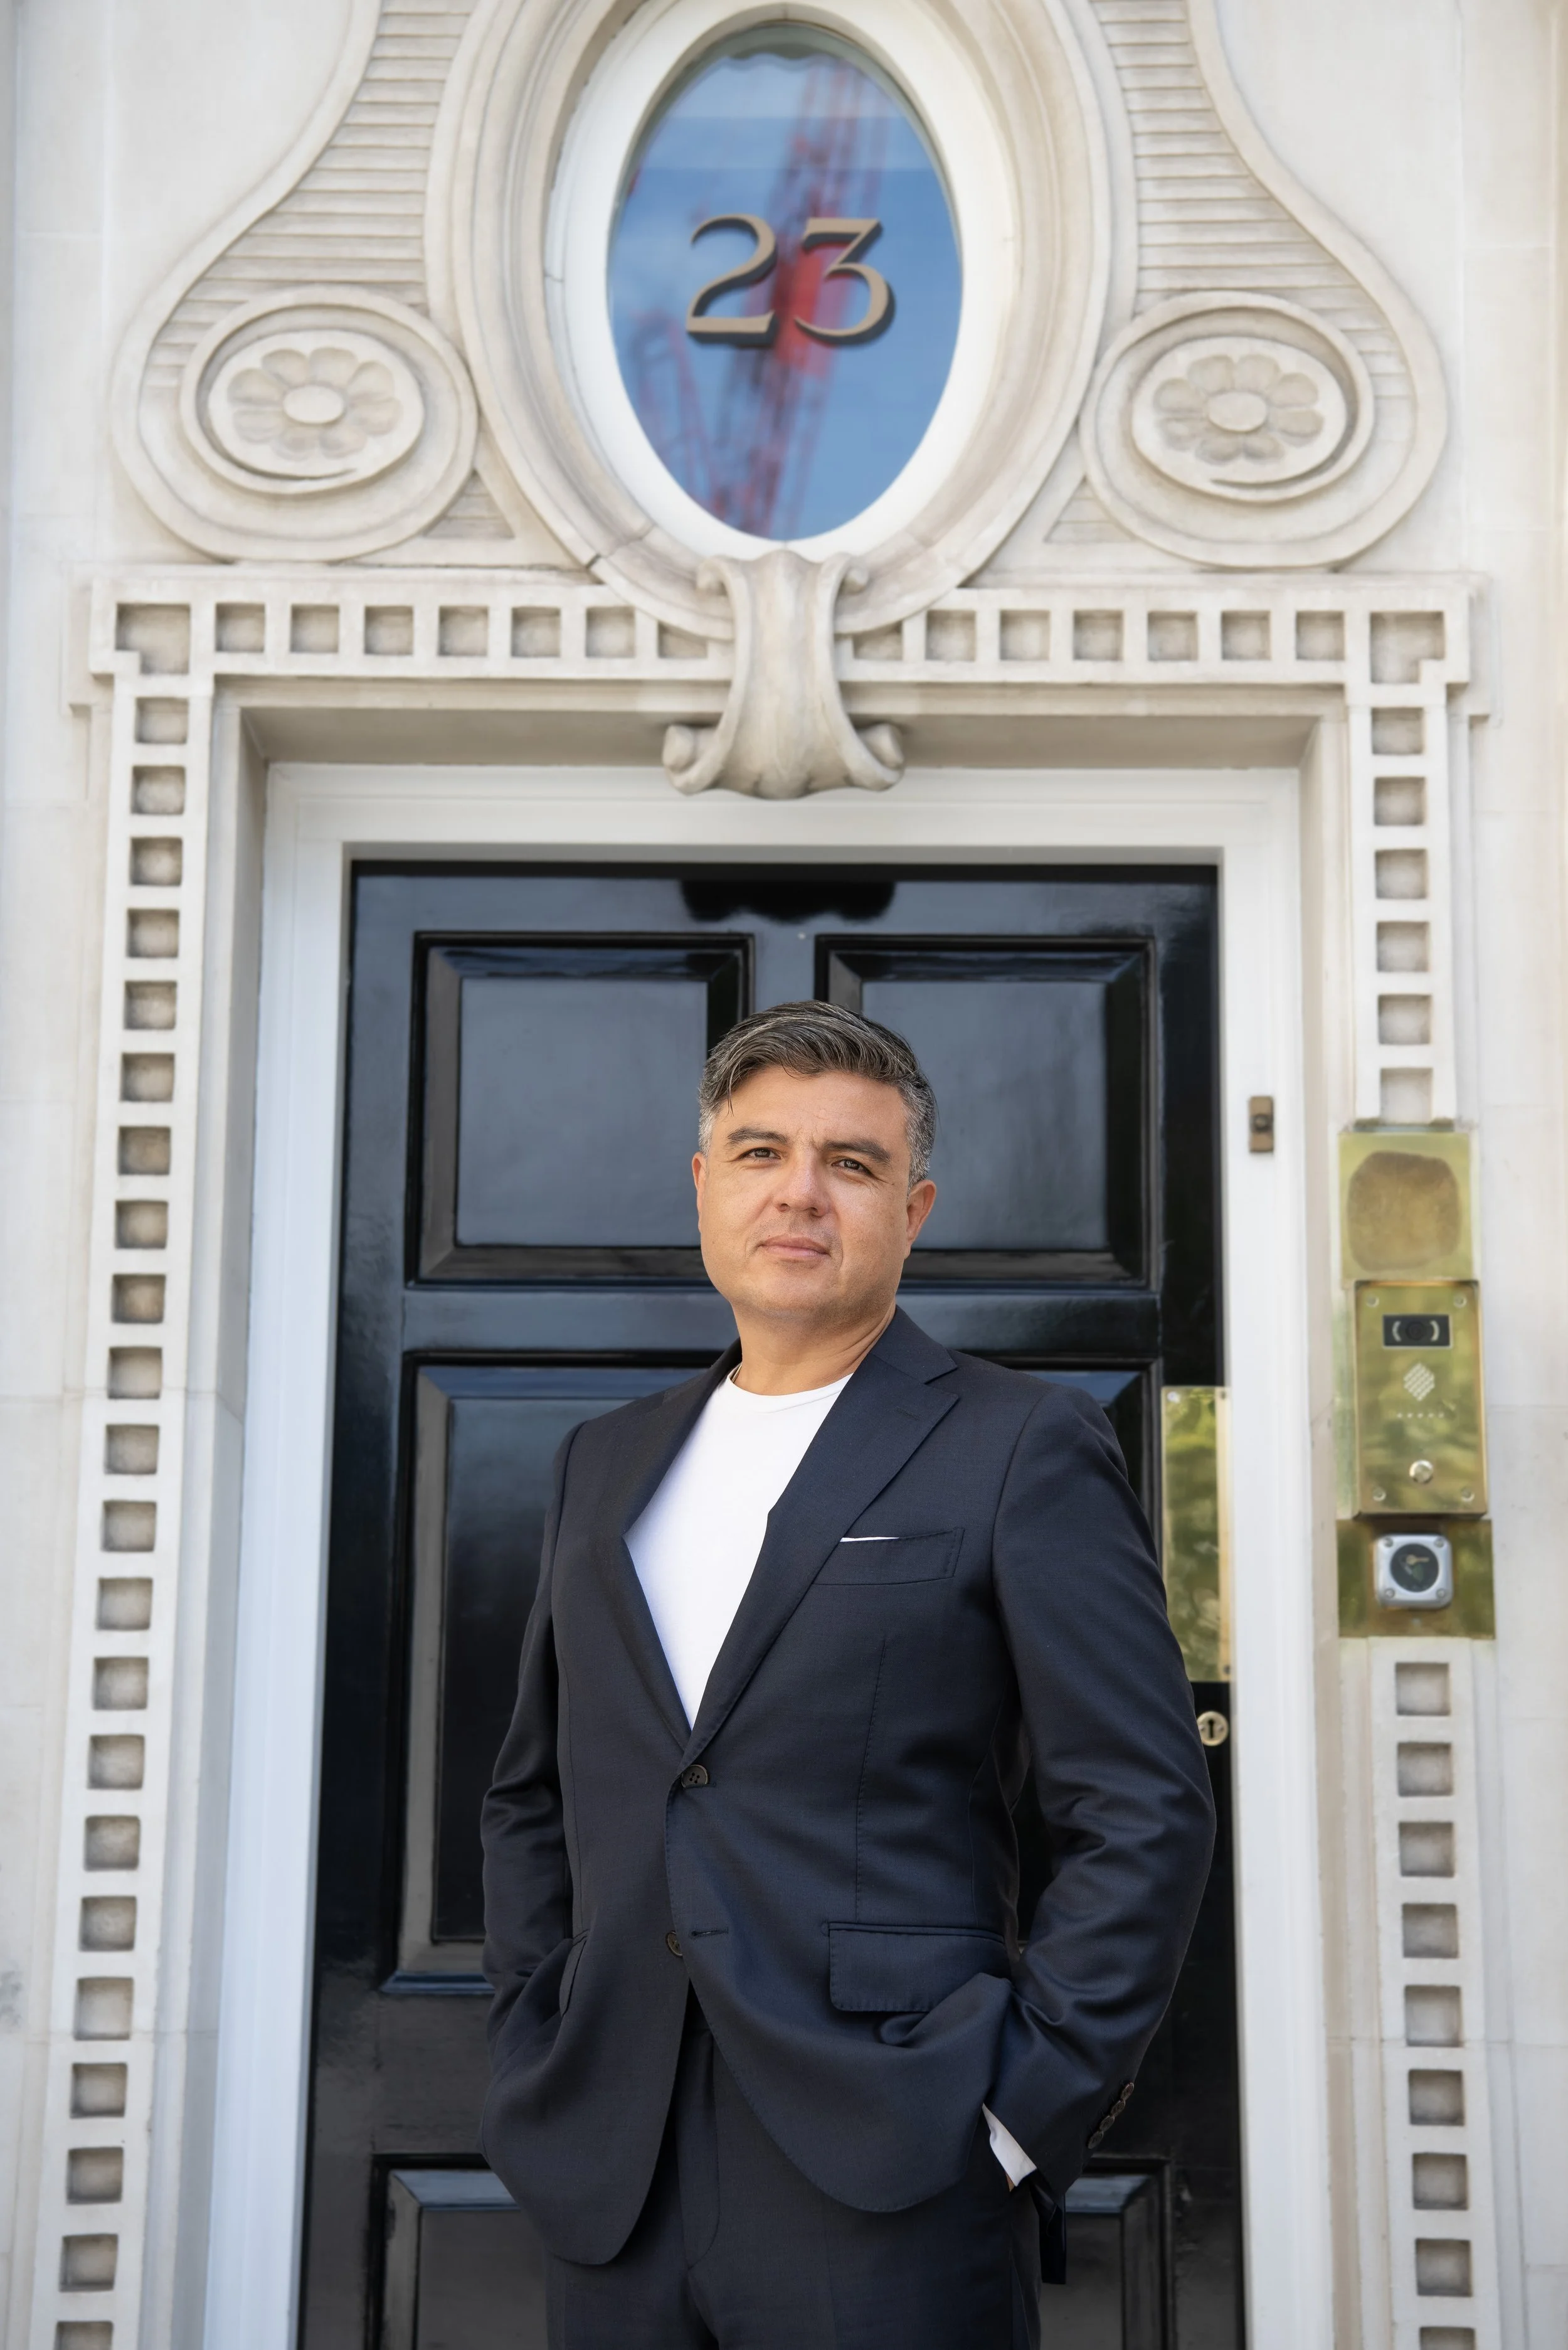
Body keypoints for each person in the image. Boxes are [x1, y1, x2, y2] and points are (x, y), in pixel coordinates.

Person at [480, 1001, 1215, 2349]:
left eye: (852, 1163)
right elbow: (532, 1791)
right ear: (705, 1187)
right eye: (759, 1153)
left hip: (895, 2161)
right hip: (611, 2159)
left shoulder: (1019, 1445)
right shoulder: (604, 1459)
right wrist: (536, 2026)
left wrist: (1014, 2114)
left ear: (912, 1206)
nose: (799, 1193)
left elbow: (1141, 1805)